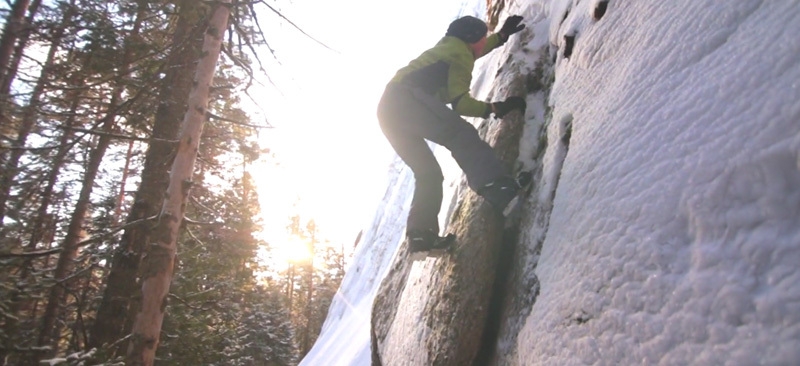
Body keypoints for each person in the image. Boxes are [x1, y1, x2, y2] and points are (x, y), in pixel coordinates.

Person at [377, 15, 527, 257]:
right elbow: (461, 104)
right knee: (460, 134)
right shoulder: (459, 56)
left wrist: (500, 37)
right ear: (470, 39)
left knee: (428, 173)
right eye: (481, 37)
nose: (483, 41)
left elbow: (475, 50)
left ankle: (421, 237)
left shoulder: (450, 47)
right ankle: (497, 188)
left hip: (388, 110)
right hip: (407, 99)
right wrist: (495, 109)